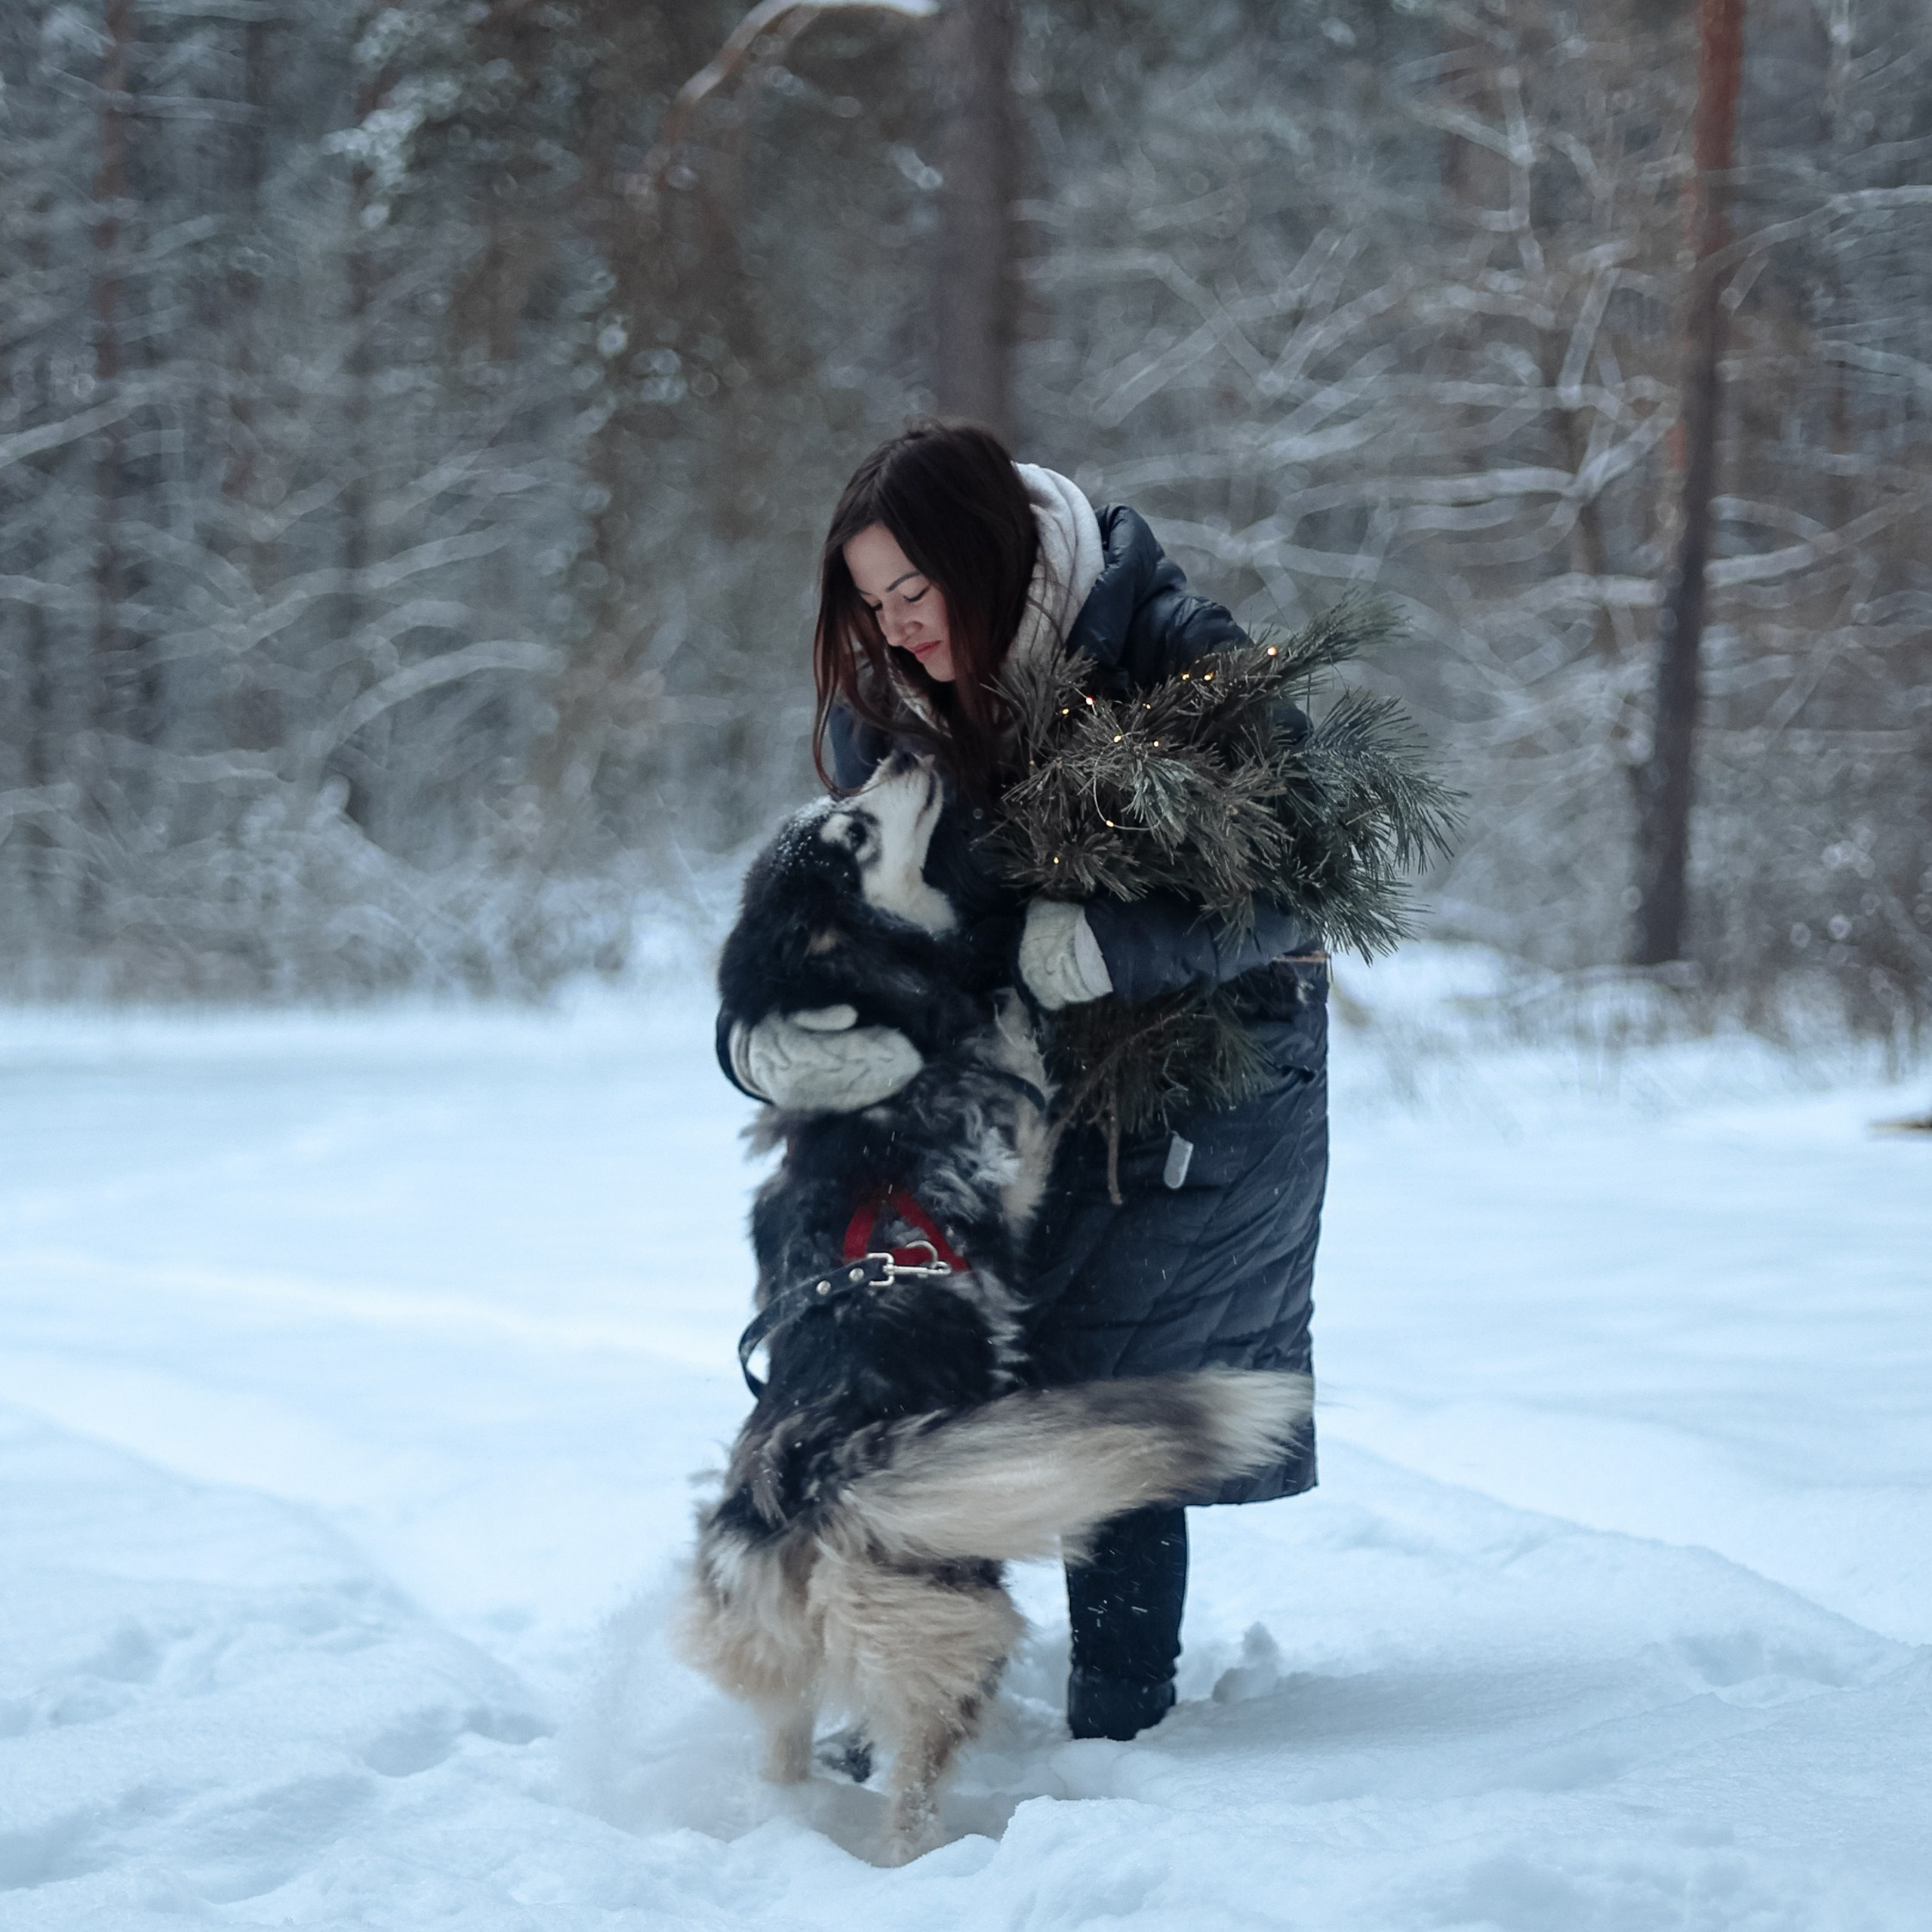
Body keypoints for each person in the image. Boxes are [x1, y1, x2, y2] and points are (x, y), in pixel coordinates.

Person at [718, 420, 1327, 1743]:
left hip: (1189, 1068)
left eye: (916, 595)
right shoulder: (888, 689)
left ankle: (1124, 1741)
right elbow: (828, 917)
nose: (894, 632)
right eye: (871, 606)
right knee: (891, 1362)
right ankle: (884, 1698)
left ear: (985, 561)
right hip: (988, 1076)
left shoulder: (1168, 644)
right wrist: (771, 1042)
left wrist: (1112, 943)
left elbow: (1309, 866)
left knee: (1110, 1372)